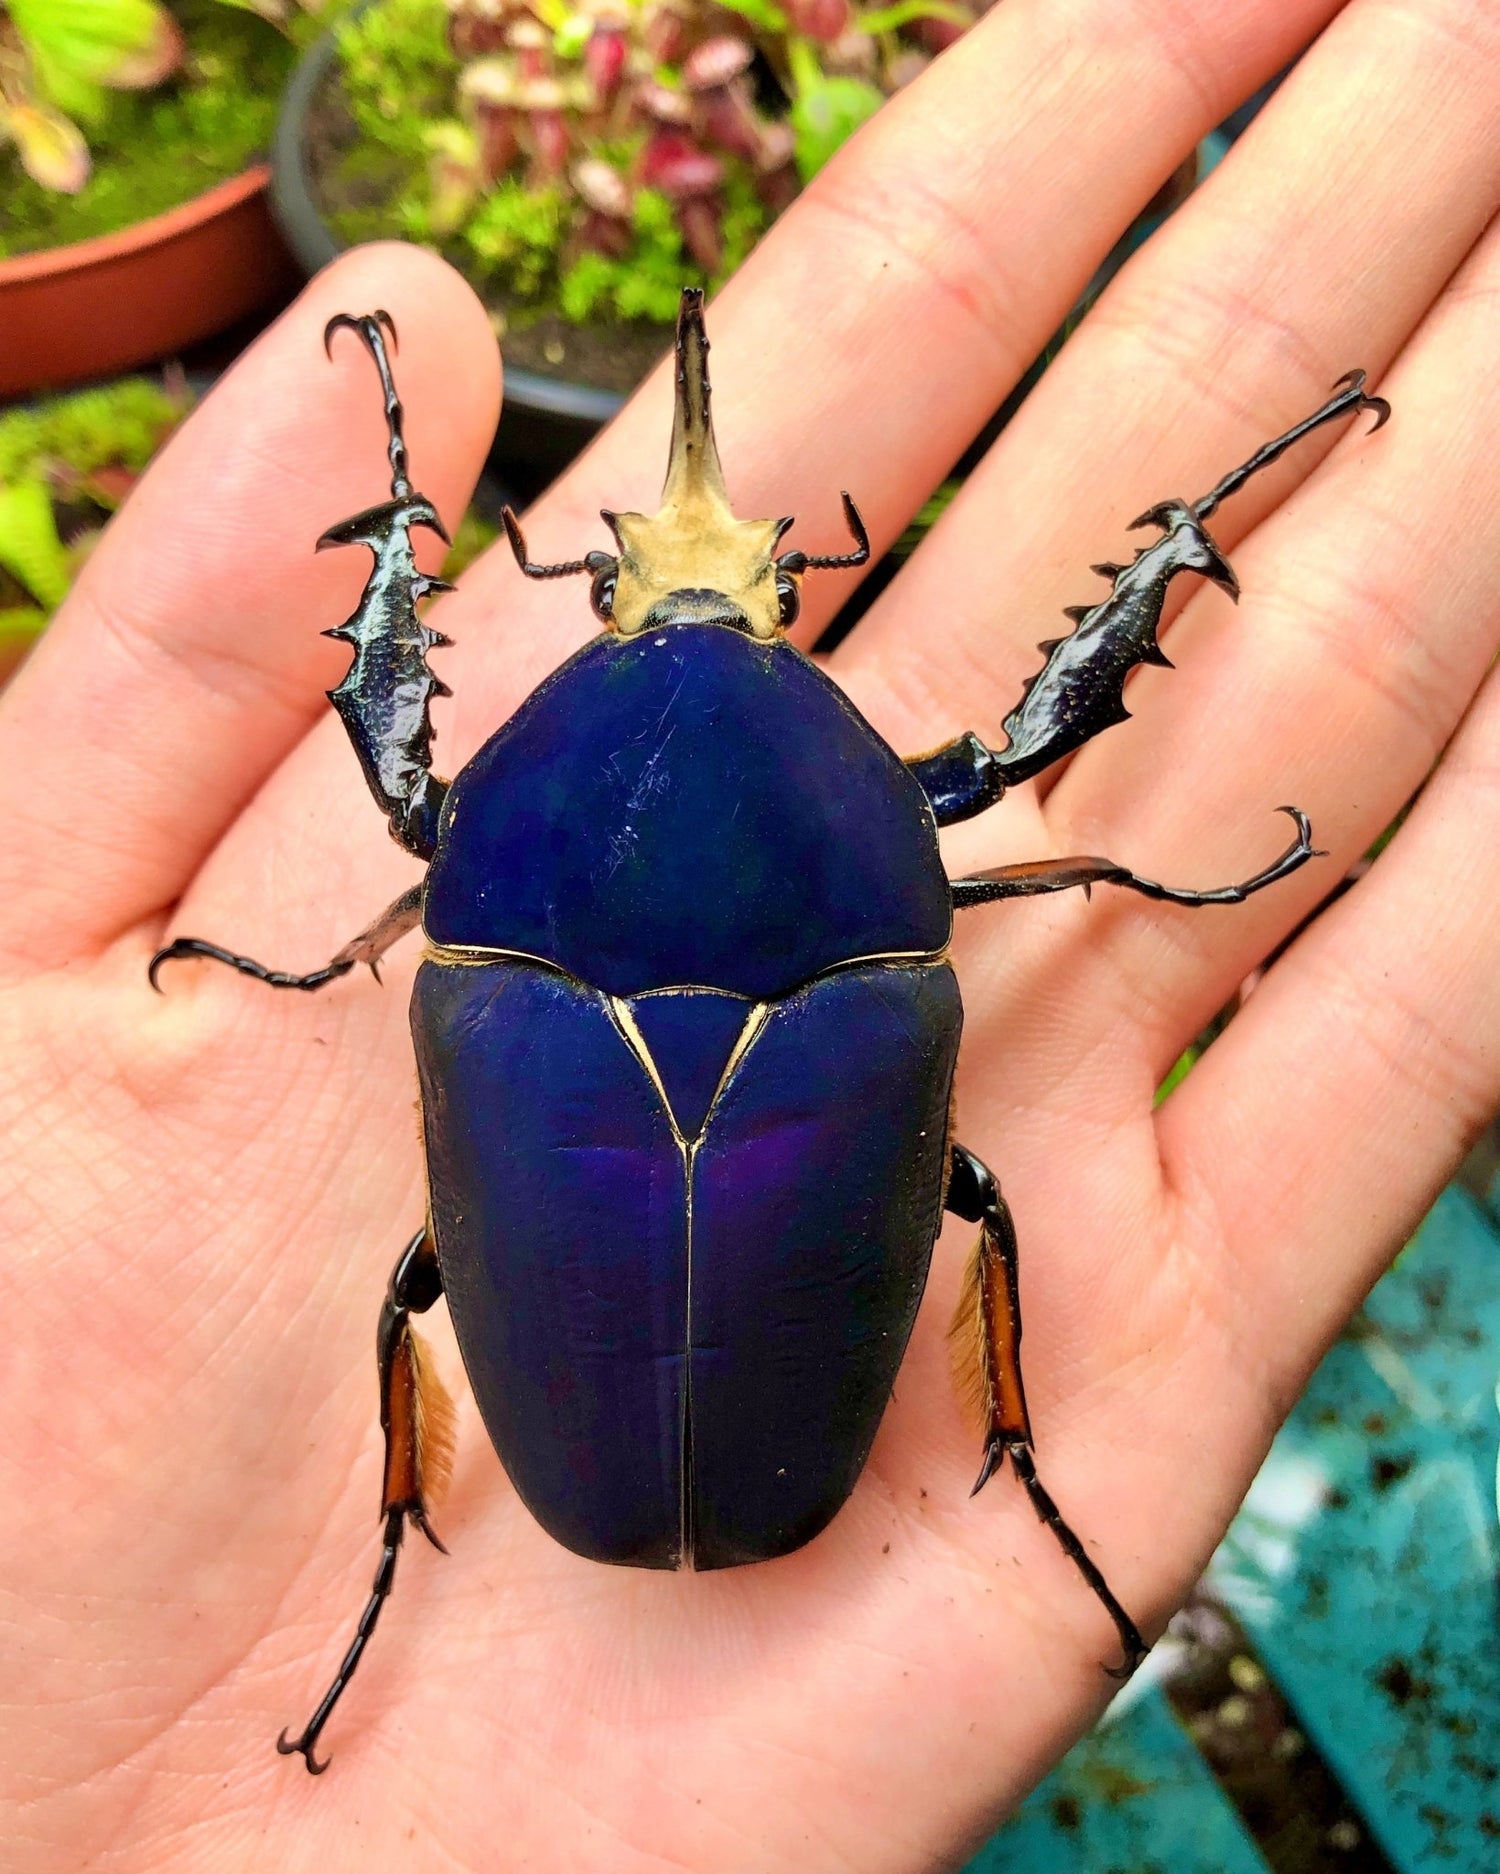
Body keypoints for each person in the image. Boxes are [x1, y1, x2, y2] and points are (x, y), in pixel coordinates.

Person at [2, 0, 1496, 1866]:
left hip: (631, 1383)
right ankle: (996, 1457)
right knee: (978, 1193)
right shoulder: (876, 856)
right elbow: (1020, 753)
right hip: (769, 1375)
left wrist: (401, 524)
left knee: (414, 1285)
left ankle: (407, 1539)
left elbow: (414, 799)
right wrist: (1188, 526)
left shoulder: (478, 872)